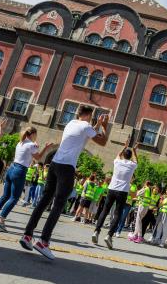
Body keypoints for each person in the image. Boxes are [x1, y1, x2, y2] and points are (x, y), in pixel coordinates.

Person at [19, 106, 109, 260]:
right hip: (67, 168)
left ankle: (27, 235)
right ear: (90, 115)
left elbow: (85, 134)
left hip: (54, 164)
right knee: (59, 204)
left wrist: (96, 125)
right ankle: (44, 241)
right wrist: (104, 127)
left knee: (44, 200)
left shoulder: (71, 123)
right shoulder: (86, 126)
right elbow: (103, 142)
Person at [0, 127, 52, 232]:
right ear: (33, 134)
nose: (36, 136)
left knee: (5, 196)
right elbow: (38, 158)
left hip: (12, 168)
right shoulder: (31, 145)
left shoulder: (20, 143)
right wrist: (45, 148)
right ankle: (0, 221)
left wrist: (35, 146)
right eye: (36, 134)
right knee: (14, 198)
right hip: (20, 171)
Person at [92, 139, 138, 250]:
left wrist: (124, 146)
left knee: (105, 210)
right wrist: (135, 151)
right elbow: (136, 160)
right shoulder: (132, 165)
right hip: (122, 191)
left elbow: (118, 154)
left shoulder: (117, 161)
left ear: (123, 155)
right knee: (117, 214)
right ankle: (109, 235)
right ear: (130, 156)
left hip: (112, 188)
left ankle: (96, 231)